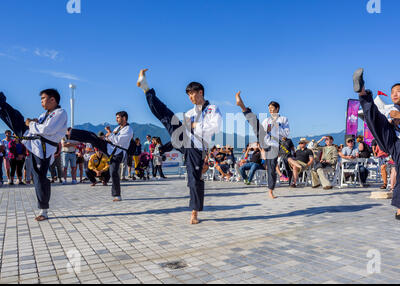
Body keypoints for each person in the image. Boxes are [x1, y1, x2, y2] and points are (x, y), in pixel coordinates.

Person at [137, 68, 222, 224]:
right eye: (188, 94)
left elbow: (215, 127)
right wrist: (168, 144)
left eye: (192, 93)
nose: (190, 97)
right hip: (186, 142)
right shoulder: (189, 112)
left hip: (197, 148)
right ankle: (146, 89)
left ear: (201, 92)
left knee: (194, 180)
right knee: (166, 116)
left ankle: (195, 212)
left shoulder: (212, 109)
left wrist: (194, 125)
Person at [354, 68, 400, 224]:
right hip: (390, 137)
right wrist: (393, 119)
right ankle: (362, 92)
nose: (394, 94)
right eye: (392, 92)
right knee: (374, 118)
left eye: (398, 92)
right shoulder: (390, 108)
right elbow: (388, 121)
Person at [0, 89, 68, 221]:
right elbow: (39, 126)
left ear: (52, 99)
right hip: (33, 143)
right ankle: (2, 105)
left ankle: (44, 210)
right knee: (16, 118)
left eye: (43, 98)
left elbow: (47, 130)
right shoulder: (45, 114)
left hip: (43, 149)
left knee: (40, 178)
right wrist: (33, 122)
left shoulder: (60, 113)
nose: (42, 101)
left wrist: (31, 124)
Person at [69, 111, 134, 202]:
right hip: (109, 147)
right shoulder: (117, 128)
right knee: (92, 137)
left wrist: (109, 133)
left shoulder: (128, 129)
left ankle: (117, 195)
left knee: (114, 172)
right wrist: (106, 136)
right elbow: (110, 138)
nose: (116, 119)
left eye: (118, 117)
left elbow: (118, 140)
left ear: (124, 118)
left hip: (118, 152)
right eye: (116, 117)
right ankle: (72, 133)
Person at [235, 91, 289, 199]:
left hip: (274, 145)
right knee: (256, 124)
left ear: (277, 109)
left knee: (272, 167)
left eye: (272, 108)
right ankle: (243, 107)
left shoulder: (283, 119)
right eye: (269, 108)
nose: (270, 110)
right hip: (265, 140)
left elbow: (286, 133)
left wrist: (275, 127)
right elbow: (262, 131)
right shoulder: (266, 120)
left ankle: (270, 191)